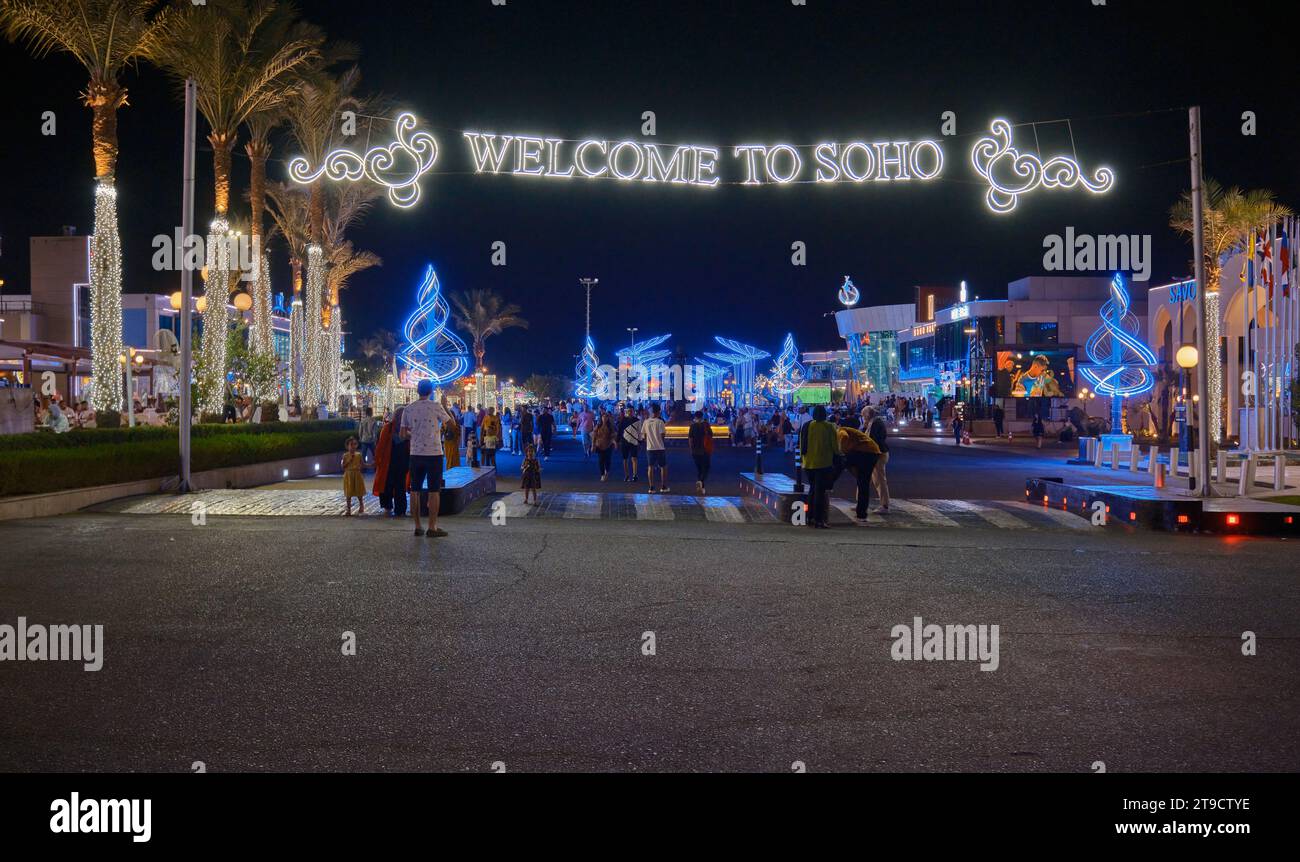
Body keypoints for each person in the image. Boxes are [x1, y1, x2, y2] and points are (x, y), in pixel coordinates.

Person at [400, 378, 452, 538]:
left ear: (417, 391)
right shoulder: (436, 406)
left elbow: (402, 434)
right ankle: (432, 527)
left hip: (415, 454)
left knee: (414, 490)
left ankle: (417, 526)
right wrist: (445, 407)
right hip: (434, 453)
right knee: (434, 491)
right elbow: (452, 425)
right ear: (431, 391)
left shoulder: (408, 409)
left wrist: (414, 434)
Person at [800, 405, 840, 529]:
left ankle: (809, 517)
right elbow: (835, 447)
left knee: (812, 490)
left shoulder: (806, 425)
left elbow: (801, 445)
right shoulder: (829, 427)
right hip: (823, 463)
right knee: (820, 492)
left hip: (808, 463)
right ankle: (819, 519)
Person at [838, 423, 882, 524]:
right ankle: (861, 515)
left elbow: (844, 437)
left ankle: (829, 483)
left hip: (865, 452)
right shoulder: (851, 432)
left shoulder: (840, 431)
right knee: (863, 484)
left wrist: (843, 452)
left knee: (840, 462)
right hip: (873, 453)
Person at [376, 406, 409, 517]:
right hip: (389, 461)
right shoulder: (388, 428)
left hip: (402, 462)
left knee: (400, 485)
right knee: (387, 484)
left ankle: (400, 509)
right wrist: (378, 460)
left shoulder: (408, 429)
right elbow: (381, 445)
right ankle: (388, 506)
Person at [867, 409, 891, 514]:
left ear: (868, 415)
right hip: (876, 453)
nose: (863, 418)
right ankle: (861, 502)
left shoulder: (875, 423)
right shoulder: (875, 422)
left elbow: (873, 439)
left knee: (879, 480)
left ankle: (884, 505)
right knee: (866, 479)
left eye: (864, 416)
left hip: (878, 454)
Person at [642, 402, 669, 493]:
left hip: (650, 448)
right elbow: (663, 435)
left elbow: (644, 435)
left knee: (650, 467)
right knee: (663, 467)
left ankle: (651, 487)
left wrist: (648, 442)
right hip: (660, 447)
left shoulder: (646, 422)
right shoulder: (660, 422)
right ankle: (663, 486)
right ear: (658, 412)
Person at [687, 410, 714, 495]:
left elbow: (690, 439)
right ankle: (701, 481)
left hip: (695, 450)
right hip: (705, 450)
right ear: (702, 417)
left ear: (695, 417)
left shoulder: (692, 426)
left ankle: (702, 486)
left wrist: (691, 449)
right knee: (706, 467)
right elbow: (711, 435)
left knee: (699, 468)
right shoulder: (706, 425)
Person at [341, 436, 366, 516]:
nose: (353, 446)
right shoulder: (345, 455)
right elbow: (343, 466)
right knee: (349, 492)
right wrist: (349, 460)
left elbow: (363, 464)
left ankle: (361, 506)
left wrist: (372, 465)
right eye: (351, 444)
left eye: (355, 444)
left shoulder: (359, 455)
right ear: (347, 446)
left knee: (359, 491)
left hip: (357, 474)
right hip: (348, 475)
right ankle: (348, 508)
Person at [618, 406, 640, 482]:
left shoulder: (637, 420)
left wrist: (640, 441)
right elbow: (620, 431)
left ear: (633, 411)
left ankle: (635, 475)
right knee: (625, 459)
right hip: (624, 442)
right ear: (626, 412)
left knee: (634, 458)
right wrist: (617, 441)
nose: (630, 412)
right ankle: (627, 475)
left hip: (634, 442)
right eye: (628, 411)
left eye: (631, 411)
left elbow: (639, 432)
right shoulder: (623, 420)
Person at [593, 412, 615, 481]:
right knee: (601, 460)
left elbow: (613, 436)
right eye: (603, 417)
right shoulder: (598, 426)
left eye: (606, 417)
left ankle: (607, 471)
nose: (604, 418)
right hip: (599, 445)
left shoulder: (610, 426)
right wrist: (593, 445)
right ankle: (602, 474)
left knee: (608, 460)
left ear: (608, 418)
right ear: (601, 418)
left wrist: (614, 442)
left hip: (608, 445)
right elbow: (594, 435)